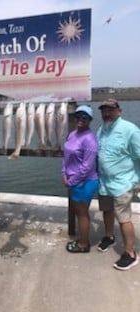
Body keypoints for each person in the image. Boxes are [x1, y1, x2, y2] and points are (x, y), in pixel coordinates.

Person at [97, 98, 140, 270]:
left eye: (111, 110)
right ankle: (109, 236)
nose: (107, 113)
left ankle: (130, 253)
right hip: (104, 182)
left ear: (119, 111)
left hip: (123, 182)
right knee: (106, 210)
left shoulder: (130, 130)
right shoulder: (102, 129)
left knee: (123, 218)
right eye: (104, 110)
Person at [62, 105, 98, 253]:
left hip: (84, 182)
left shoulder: (90, 140)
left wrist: (71, 181)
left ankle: (83, 244)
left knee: (82, 214)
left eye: (85, 117)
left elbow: (87, 167)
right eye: (78, 116)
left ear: (89, 120)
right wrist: (64, 173)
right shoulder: (72, 134)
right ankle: (82, 239)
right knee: (79, 212)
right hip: (73, 179)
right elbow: (66, 156)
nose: (80, 120)